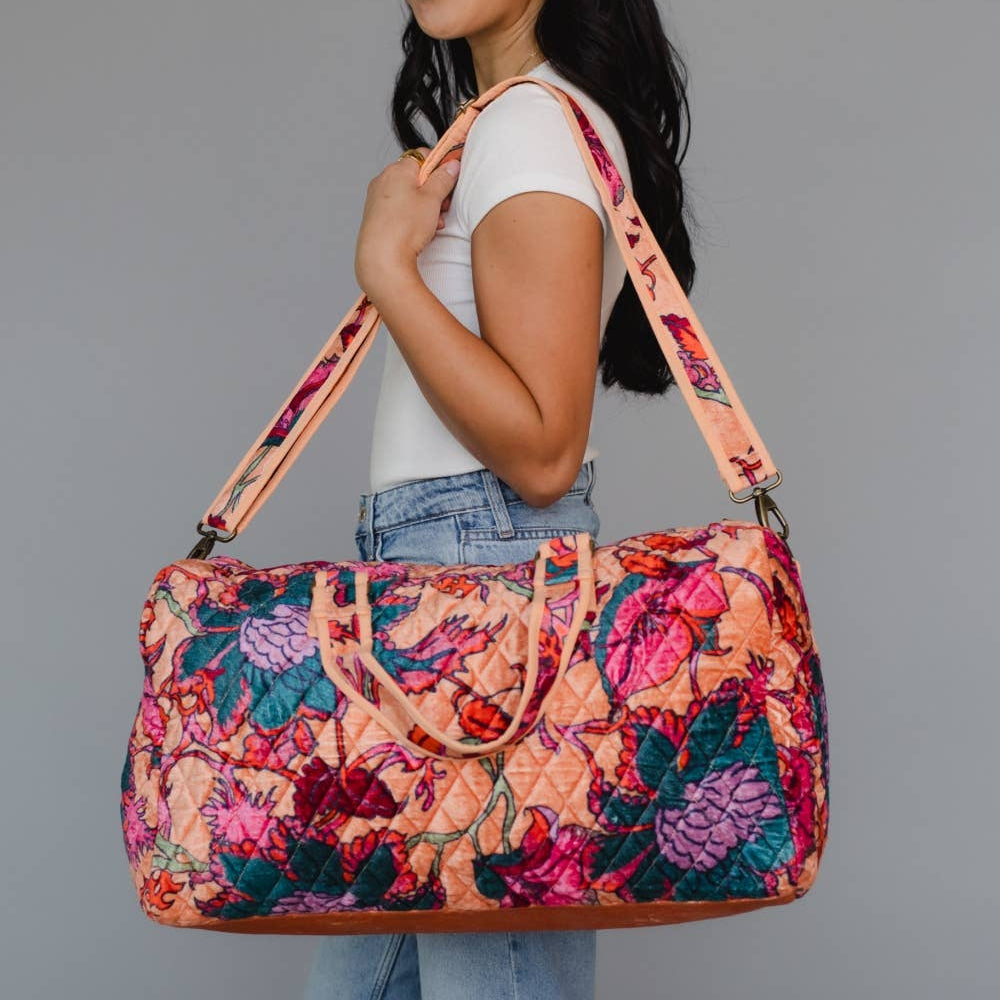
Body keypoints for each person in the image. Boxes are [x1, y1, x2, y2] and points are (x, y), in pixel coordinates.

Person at [304, 1, 696, 997]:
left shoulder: (530, 124)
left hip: (482, 579)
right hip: (430, 575)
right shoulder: (504, 120)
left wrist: (385, 268)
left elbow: (541, 451)